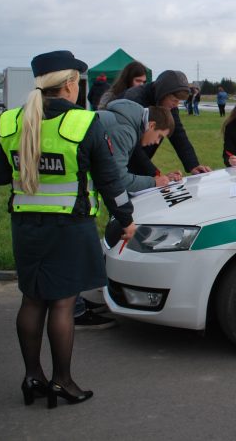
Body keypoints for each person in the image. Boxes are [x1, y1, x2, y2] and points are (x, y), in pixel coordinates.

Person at [0, 50, 136, 407]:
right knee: (63, 305)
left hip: (26, 226)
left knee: (32, 299)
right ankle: (62, 381)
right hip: (69, 226)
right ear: (70, 83)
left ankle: (32, 376)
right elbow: (109, 179)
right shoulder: (84, 123)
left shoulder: (10, 121)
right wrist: (125, 218)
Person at [71, 99, 175, 329]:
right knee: (77, 248)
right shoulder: (124, 130)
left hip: (70, 194)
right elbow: (117, 179)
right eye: (159, 137)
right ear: (151, 125)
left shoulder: (122, 120)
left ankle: (74, 303)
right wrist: (153, 181)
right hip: (72, 197)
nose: (155, 143)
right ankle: (73, 309)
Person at [123, 70, 211, 176]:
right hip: (120, 157)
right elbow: (133, 147)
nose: (176, 105)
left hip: (138, 157)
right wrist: (156, 175)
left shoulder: (168, 105)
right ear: (163, 94)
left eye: (179, 101)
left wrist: (193, 164)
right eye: (174, 100)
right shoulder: (134, 100)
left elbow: (178, 133)